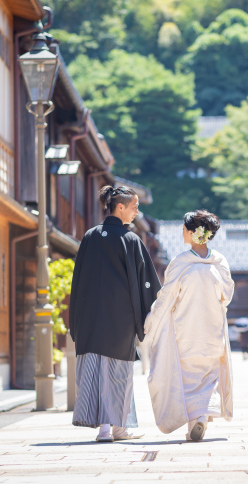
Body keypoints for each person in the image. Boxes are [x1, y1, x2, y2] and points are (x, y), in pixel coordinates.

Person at [68, 186, 162, 442]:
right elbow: (147, 283)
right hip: (120, 319)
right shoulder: (130, 240)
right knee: (118, 373)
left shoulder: (90, 236)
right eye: (134, 207)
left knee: (95, 371)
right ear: (120, 207)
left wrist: (75, 318)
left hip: (89, 318)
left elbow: (78, 280)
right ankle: (115, 428)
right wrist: (150, 314)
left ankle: (107, 429)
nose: (136, 212)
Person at [145, 210, 234, 442]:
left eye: (184, 229)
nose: (182, 232)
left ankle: (196, 419)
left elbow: (166, 297)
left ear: (193, 232)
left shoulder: (181, 263)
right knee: (208, 376)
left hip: (185, 330)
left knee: (186, 378)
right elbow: (227, 295)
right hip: (212, 331)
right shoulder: (219, 262)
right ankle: (201, 416)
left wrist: (152, 320)